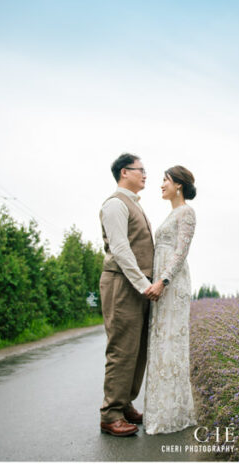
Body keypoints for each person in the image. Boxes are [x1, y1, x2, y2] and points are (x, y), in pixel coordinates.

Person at [98, 153, 160, 437]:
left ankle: (124, 405)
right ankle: (110, 415)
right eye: (141, 170)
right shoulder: (115, 204)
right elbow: (121, 250)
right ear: (125, 172)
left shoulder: (134, 204)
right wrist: (142, 284)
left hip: (137, 285)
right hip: (123, 284)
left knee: (137, 349)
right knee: (122, 348)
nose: (145, 174)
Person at [143, 165, 198, 434]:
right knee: (160, 340)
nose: (161, 184)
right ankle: (161, 410)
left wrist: (163, 281)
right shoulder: (171, 214)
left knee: (170, 341)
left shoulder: (186, 212)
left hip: (172, 285)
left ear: (178, 185)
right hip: (161, 282)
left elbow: (181, 252)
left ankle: (173, 413)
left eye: (165, 180)